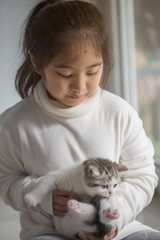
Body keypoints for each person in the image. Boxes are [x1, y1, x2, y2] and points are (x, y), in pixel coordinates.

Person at [0, 0, 159, 240]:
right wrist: (43, 197)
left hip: (119, 230)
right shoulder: (14, 124)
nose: (80, 86)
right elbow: (6, 181)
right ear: (36, 62)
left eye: (93, 71)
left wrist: (117, 217)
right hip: (50, 231)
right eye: (65, 74)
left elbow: (143, 175)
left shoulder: (119, 113)